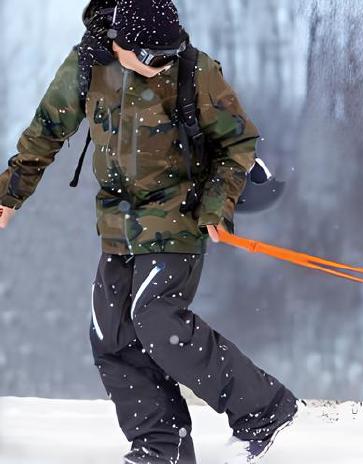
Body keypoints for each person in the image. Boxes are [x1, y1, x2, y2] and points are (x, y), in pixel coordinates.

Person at [0, 1, 297, 463]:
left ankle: (263, 408)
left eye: (169, 53)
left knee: (155, 318)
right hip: (117, 220)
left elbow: (238, 140)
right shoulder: (85, 68)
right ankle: (163, 446)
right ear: (119, 44)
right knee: (111, 335)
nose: (162, 64)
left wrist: (218, 205)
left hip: (179, 212)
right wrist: (9, 194)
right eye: (153, 56)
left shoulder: (192, 70)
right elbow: (44, 134)